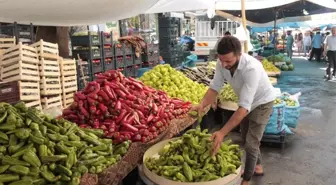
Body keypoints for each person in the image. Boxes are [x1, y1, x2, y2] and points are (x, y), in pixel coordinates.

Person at [192, 36, 275, 185]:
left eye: (228, 61)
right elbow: (215, 87)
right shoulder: (221, 63)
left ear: (239, 54)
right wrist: (202, 104)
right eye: (221, 60)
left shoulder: (251, 68)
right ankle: (257, 166)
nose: (224, 64)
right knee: (245, 136)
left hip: (263, 102)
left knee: (251, 143)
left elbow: (243, 108)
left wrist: (222, 133)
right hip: (246, 102)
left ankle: (246, 179)